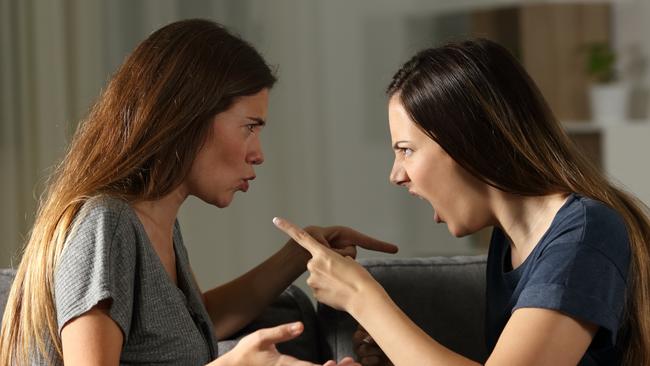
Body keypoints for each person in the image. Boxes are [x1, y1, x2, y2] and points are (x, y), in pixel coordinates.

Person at [0, 19, 398, 365]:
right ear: (188, 117)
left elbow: (188, 330)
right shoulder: (107, 224)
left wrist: (299, 253)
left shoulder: (158, 227)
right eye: (249, 127)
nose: (258, 154)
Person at [273, 38, 650, 365]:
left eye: (406, 150)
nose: (396, 174)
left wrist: (362, 296)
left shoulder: (585, 233)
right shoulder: (509, 244)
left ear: (468, 142)